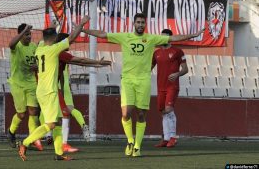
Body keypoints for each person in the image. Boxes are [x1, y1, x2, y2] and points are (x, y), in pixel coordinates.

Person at [82, 13, 204, 157]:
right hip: (127, 79)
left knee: (140, 114)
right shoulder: (124, 36)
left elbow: (172, 38)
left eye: (142, 23)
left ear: (145, 25)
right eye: (138, 22)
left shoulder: (151, 38)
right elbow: (102, 34)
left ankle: (138, 146)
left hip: (143, 81)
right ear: (134, 24)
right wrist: (85, 29)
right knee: (126, 113)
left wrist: (193, 34)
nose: (140, 25)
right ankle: (130, 141)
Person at [18, 16, 90, 161]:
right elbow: (71, 38)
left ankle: (59, 153)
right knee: (50, 124)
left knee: (57, 123)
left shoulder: (39, 48)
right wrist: (81, 24)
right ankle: (25, 143)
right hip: (49, 92)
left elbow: (46, 37)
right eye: (56, 35)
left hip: (43, 91)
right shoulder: (54, 49)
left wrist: (52, 25)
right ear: (55, 37)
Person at [56, 33, 111, 152]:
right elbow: (80, 61)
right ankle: (36, 140)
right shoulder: (58, 52)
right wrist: (97, 63)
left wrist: (97, 64)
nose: (70, 43)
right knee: (62, 114)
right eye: (68, 41)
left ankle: (56, 142)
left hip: (56, 85)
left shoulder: (53, 51)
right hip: (56, 86)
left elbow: (79, 61)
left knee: (58, 115)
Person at [7, 24, 42, 151]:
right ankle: (11, 132)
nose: (28, 37)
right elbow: (11, 44)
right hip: (17, 84)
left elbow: (39, 62)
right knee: (21, 115)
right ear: (21, 35)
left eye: (29, 34)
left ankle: (32, 139)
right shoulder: (17, 47)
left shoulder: (34, 47)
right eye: (26, 34)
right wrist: (23, 32)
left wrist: (37, 67)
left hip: (31, 83)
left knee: (33, 111)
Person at [152, 29, 188, 148]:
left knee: (168, 109)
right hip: (160, 86)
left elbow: (185, 69)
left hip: (172, 86)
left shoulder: (178, 51)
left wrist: (177, 74)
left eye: (165, 37)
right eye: (161, 37)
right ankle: (166, 139)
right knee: (163, 111)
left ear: (170, 38)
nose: (163, 39)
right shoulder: (156, 53)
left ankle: (173, 137)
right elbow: (148, 68)